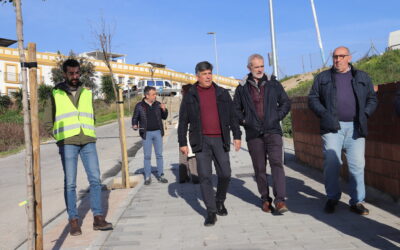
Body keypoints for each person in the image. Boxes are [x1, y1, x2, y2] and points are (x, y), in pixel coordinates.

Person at [44, 59, 112, 236]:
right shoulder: (56, 93)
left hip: (88, 140)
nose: (75, 76)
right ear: (65, 74)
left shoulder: (87, 92)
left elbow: (92, 115)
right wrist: (59, 138)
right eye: (71, 73)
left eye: (77, 73)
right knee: (71, 183)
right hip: (67, 143)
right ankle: (73, 220)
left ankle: (98, 218)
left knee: (96, 180)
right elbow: (47, 121)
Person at [308, 46, 377, 215]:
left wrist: (365, 113)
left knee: (357, 166)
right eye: (335, 57)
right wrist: (324, 114)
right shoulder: (323, 77)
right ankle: (332, 198)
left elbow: (372, 98)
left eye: (341, 56)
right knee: (332, 163)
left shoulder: (361, 77)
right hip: (332, 128)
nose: (337, 60)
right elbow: (313, 98)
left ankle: (357, 201)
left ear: (349, 58)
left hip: (356, 127)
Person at [178, 61, 241, 226]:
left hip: (220, 139)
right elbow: (183, 119)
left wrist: (237, 135)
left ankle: (220, 200)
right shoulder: (190, 95)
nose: (208, 76)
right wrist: (182, 142)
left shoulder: (221, 93)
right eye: (204, 74)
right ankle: (211, 211)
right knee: (205, 176)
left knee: (225, 173)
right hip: (201, 141)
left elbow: (233, 115)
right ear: (197, 76)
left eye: (209, 73)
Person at [233, 54, 291, 214]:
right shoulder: (242, 87)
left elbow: (286, 102)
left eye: (262, 66)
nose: (259, 69)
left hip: (273, 131)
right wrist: (245, 121)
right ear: (249, 68)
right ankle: (265, 199)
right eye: (256, 67)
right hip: (254, 134)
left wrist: (276, 116)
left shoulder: (273, 83)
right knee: (259, 168)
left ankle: (280, 201)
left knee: (277, 164)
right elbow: (235, 109)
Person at [132, 86, 168, 185]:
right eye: (153, 94)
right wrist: (134, 125)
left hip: (157, 132)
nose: (155, 96)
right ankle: (147, 177)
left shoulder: (158, 104)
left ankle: (161, 175)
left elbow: (164, 117)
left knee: (159, 155)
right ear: (147, 95)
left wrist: (164, 110)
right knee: (147, 156)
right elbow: (135, 117)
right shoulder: (139, 106)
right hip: (146, 133)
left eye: (155, 94)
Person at [178, 84, 199, 184]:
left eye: (182, 91)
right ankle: (194, 176)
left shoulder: (186, 101)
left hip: (186, 132)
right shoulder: (191, 100)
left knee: (185, 155)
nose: (181, 93)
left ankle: (184, 177)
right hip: (188, 132)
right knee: (191, 155)